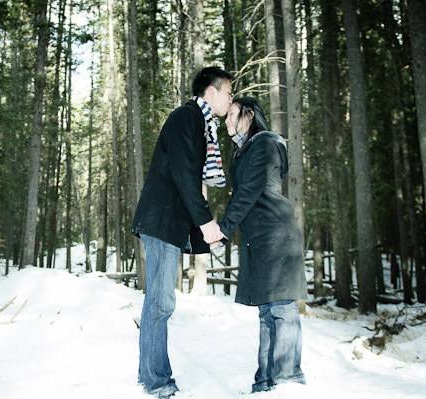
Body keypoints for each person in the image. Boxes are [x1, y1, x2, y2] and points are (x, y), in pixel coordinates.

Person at [131, 66, 233, 398]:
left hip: (169, 224)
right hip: (161, 221)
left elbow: (190, 175)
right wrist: (205, 222)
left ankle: (153, 378)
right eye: (228, 93)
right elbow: (183, 172)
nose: (231, 99)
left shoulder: (202, 124)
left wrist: (202, 224)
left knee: (162, 302)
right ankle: (155, 382)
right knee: (160, 302)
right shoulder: (186, 118)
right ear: (212, 91)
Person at [213, 97, 307, 393]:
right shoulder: (243, 151)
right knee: (267, 314)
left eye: (231, 116)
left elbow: (250, 191)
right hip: (260, 239)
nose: (225, 122)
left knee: (282, 311)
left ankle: (288, 380)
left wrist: (223, 230)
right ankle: (265, 382)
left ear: (250, 115)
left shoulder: (265, 143)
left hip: (277, 237)